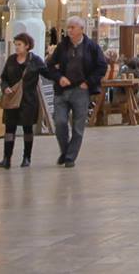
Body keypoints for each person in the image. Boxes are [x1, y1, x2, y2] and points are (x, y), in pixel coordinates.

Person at [46, 13, 107, 167]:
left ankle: (70, 157)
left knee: (78, 126)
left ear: (81, 29)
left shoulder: (91, 47)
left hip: (81, 90)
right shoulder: (62, 46)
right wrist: (59, 77)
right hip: (62, 90)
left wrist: (89, 82)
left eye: (72, 27)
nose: (69, 31)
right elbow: (50, 66)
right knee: (59, 122)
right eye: (68, 28)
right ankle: (65, 150)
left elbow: (101, 66)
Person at [0, 31, 44, 169]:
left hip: (28, 100)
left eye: (19, 45)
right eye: (15, 44)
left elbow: (47, 72)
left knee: (27, 128)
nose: (16, 47)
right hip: (12, 99)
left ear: (27, 46)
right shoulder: (11, 60)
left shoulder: (35, 61)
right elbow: (4, 77)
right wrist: (5, 87)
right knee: (9, 129)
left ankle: (27, 157)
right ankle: (6, 158)